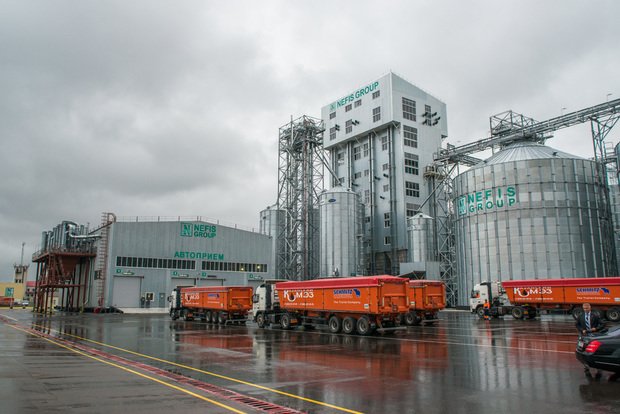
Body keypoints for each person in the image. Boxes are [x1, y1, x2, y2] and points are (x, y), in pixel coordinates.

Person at [576, 303, 605, 379]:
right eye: (584, 308)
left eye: (587, 308)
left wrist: (596, 329)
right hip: (584, 336)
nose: (585, 310)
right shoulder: (580, 316)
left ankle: (598, 366)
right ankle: (586, 365)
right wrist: (582, 330)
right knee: (584, 351)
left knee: (596, 351)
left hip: (594, 335)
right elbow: (577, 325)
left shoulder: (595, 315)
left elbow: (603, 324)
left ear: (590, 308)